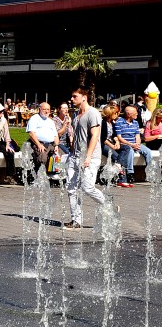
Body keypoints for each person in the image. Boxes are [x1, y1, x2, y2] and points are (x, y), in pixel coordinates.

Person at [64, 88, 108, 230]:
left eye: (74, 96)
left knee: (87, 188)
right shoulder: (77, 114)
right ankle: (76, 220)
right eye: (72, 96)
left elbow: (95, 135)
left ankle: (108, 204)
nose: (72, 99)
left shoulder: (93, 113)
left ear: (84, 97)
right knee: (71, 189)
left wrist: (88, 156)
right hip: (74, 157)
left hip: (90, 157)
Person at [114, 105, 153, 187]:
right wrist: (131, 144)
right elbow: (119, 138)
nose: (137, 114)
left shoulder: (135, 122)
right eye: (135, 113)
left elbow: (137, 135)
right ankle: (130, 173)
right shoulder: (119, 122)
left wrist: (137, 144)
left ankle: (150, 172)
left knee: (148, 152)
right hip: (124, 144)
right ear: (129, 114)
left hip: (135, 143)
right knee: (130, 151)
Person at [26, 102, 59, 174]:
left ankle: (54, 176)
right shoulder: (34, 118)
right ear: (39, 109)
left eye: (48, 109)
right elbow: (31, 133)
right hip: (39, 144)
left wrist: (56, 145)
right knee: (43, 158)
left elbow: (55, 136)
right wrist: (38, 144)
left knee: (63, 156)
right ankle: (39, 177)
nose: (46, 111)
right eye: (44, 109)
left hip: (51, 144)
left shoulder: (51, 121)